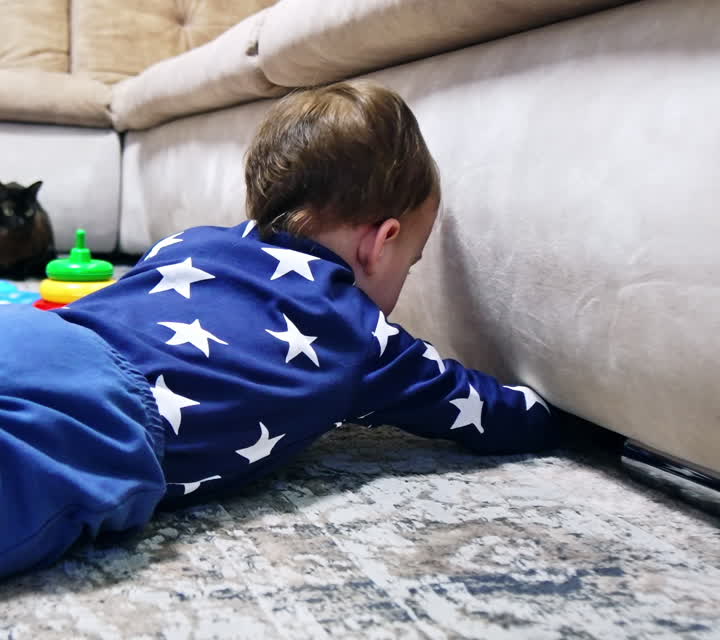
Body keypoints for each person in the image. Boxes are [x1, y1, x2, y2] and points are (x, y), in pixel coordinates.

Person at [0, 82, 560, 580]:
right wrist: (550, 412)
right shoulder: (361, 337)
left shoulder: (190, 242)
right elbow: (485, 409)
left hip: (44, 335)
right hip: (110, 415)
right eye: (409, 264)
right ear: (381, 241)